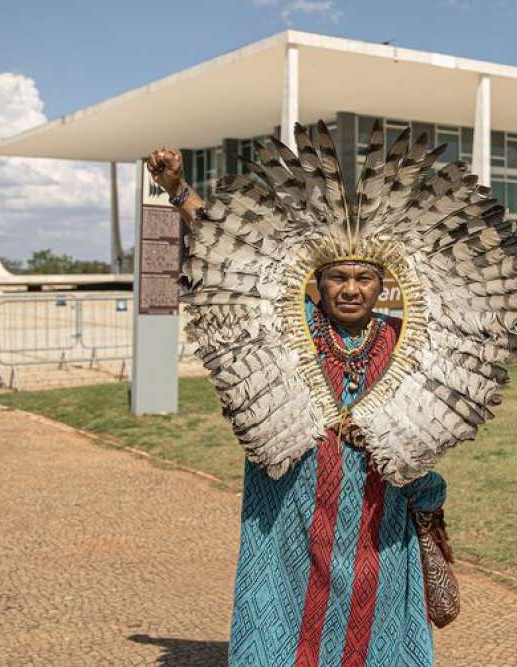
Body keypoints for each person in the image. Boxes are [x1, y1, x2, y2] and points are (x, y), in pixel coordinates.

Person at [148, 147, 449, 666]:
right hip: (291, 504)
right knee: (287, 615)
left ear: (383, 284)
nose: (350, 289)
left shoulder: (409, 341)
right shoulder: (288, 327)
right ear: (318, 282)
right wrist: (179, 190)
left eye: (364, 278)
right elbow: (229, 258)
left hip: (380, 513)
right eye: (338, 277)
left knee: (373, 617)